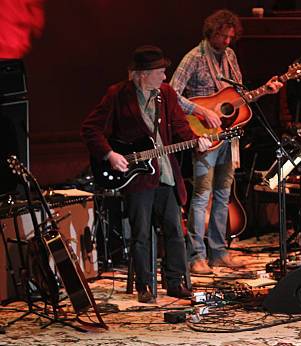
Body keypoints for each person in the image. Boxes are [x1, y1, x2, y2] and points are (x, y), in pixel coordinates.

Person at [81, 45, 211, 303]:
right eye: (160, 71)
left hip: (165, 173)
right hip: (137, 176)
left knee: (175, 230)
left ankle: (175, 283)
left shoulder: (166, 94)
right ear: (143, 74)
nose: (164, 76)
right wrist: (110, 155)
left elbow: (180, 127)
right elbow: (90, 128)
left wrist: (197, 141)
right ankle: (144, 286)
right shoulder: (118, 95)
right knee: (140, 233)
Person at [170, 9, 282, 274]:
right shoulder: (193, 57)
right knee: (201, 196)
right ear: (212, 32)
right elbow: (171, 93)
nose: (228, 42)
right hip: (204, 136)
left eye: (232, 37)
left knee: (223, 194)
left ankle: (219, 252)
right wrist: (200, 111)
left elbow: (237, 96)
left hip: (228, 136)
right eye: (223, 36)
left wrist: (265, 90)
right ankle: (196, 256)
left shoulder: (230, 56)